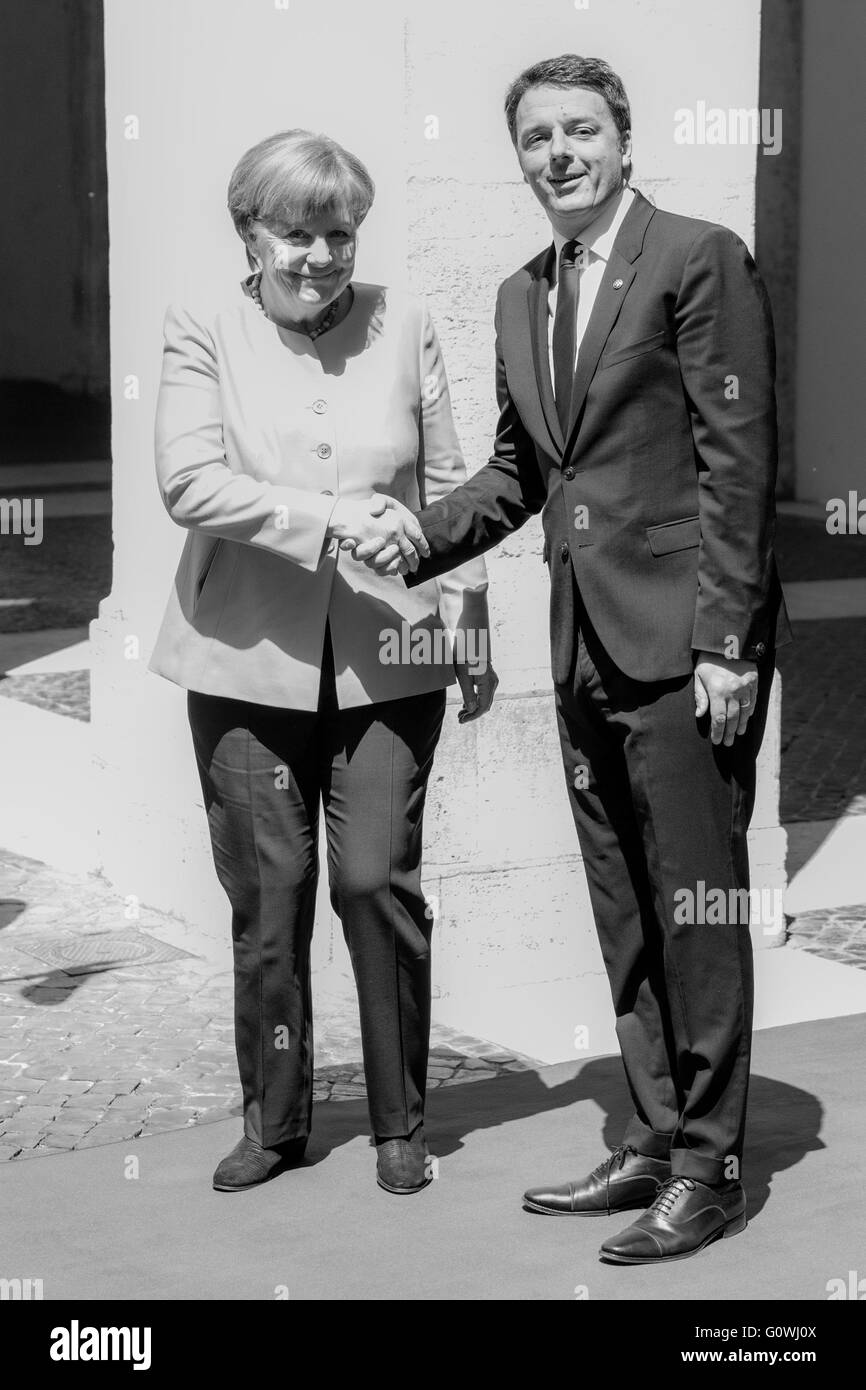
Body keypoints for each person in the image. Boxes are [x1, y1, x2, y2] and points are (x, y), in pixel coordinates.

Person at [358, 55, 791, 1261]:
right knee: (623, 904)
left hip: (681, 649)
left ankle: (710, 1163)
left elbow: (737, 461)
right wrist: (419, 535)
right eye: (537, 136)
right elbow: (517, 474)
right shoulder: (516, 295)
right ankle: (652, 1135)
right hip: (581, 643)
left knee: (694, 909)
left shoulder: (695, 256)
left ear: (621, 138)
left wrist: (724, 644)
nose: (558, 153)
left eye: (580, 131)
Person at [149, 129, 495, 1196]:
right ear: (248, 233)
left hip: (391, 656)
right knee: (271, 890)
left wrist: (470, 623)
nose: (318, 254)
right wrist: (333, 516)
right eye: (295, 232)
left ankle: (399, 1121)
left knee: (371, 881)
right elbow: (188, 483)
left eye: (337, 232)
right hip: (242, 658)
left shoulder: (405, 323)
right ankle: (276, 1115)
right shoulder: (203, 323)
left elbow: (451, 486)